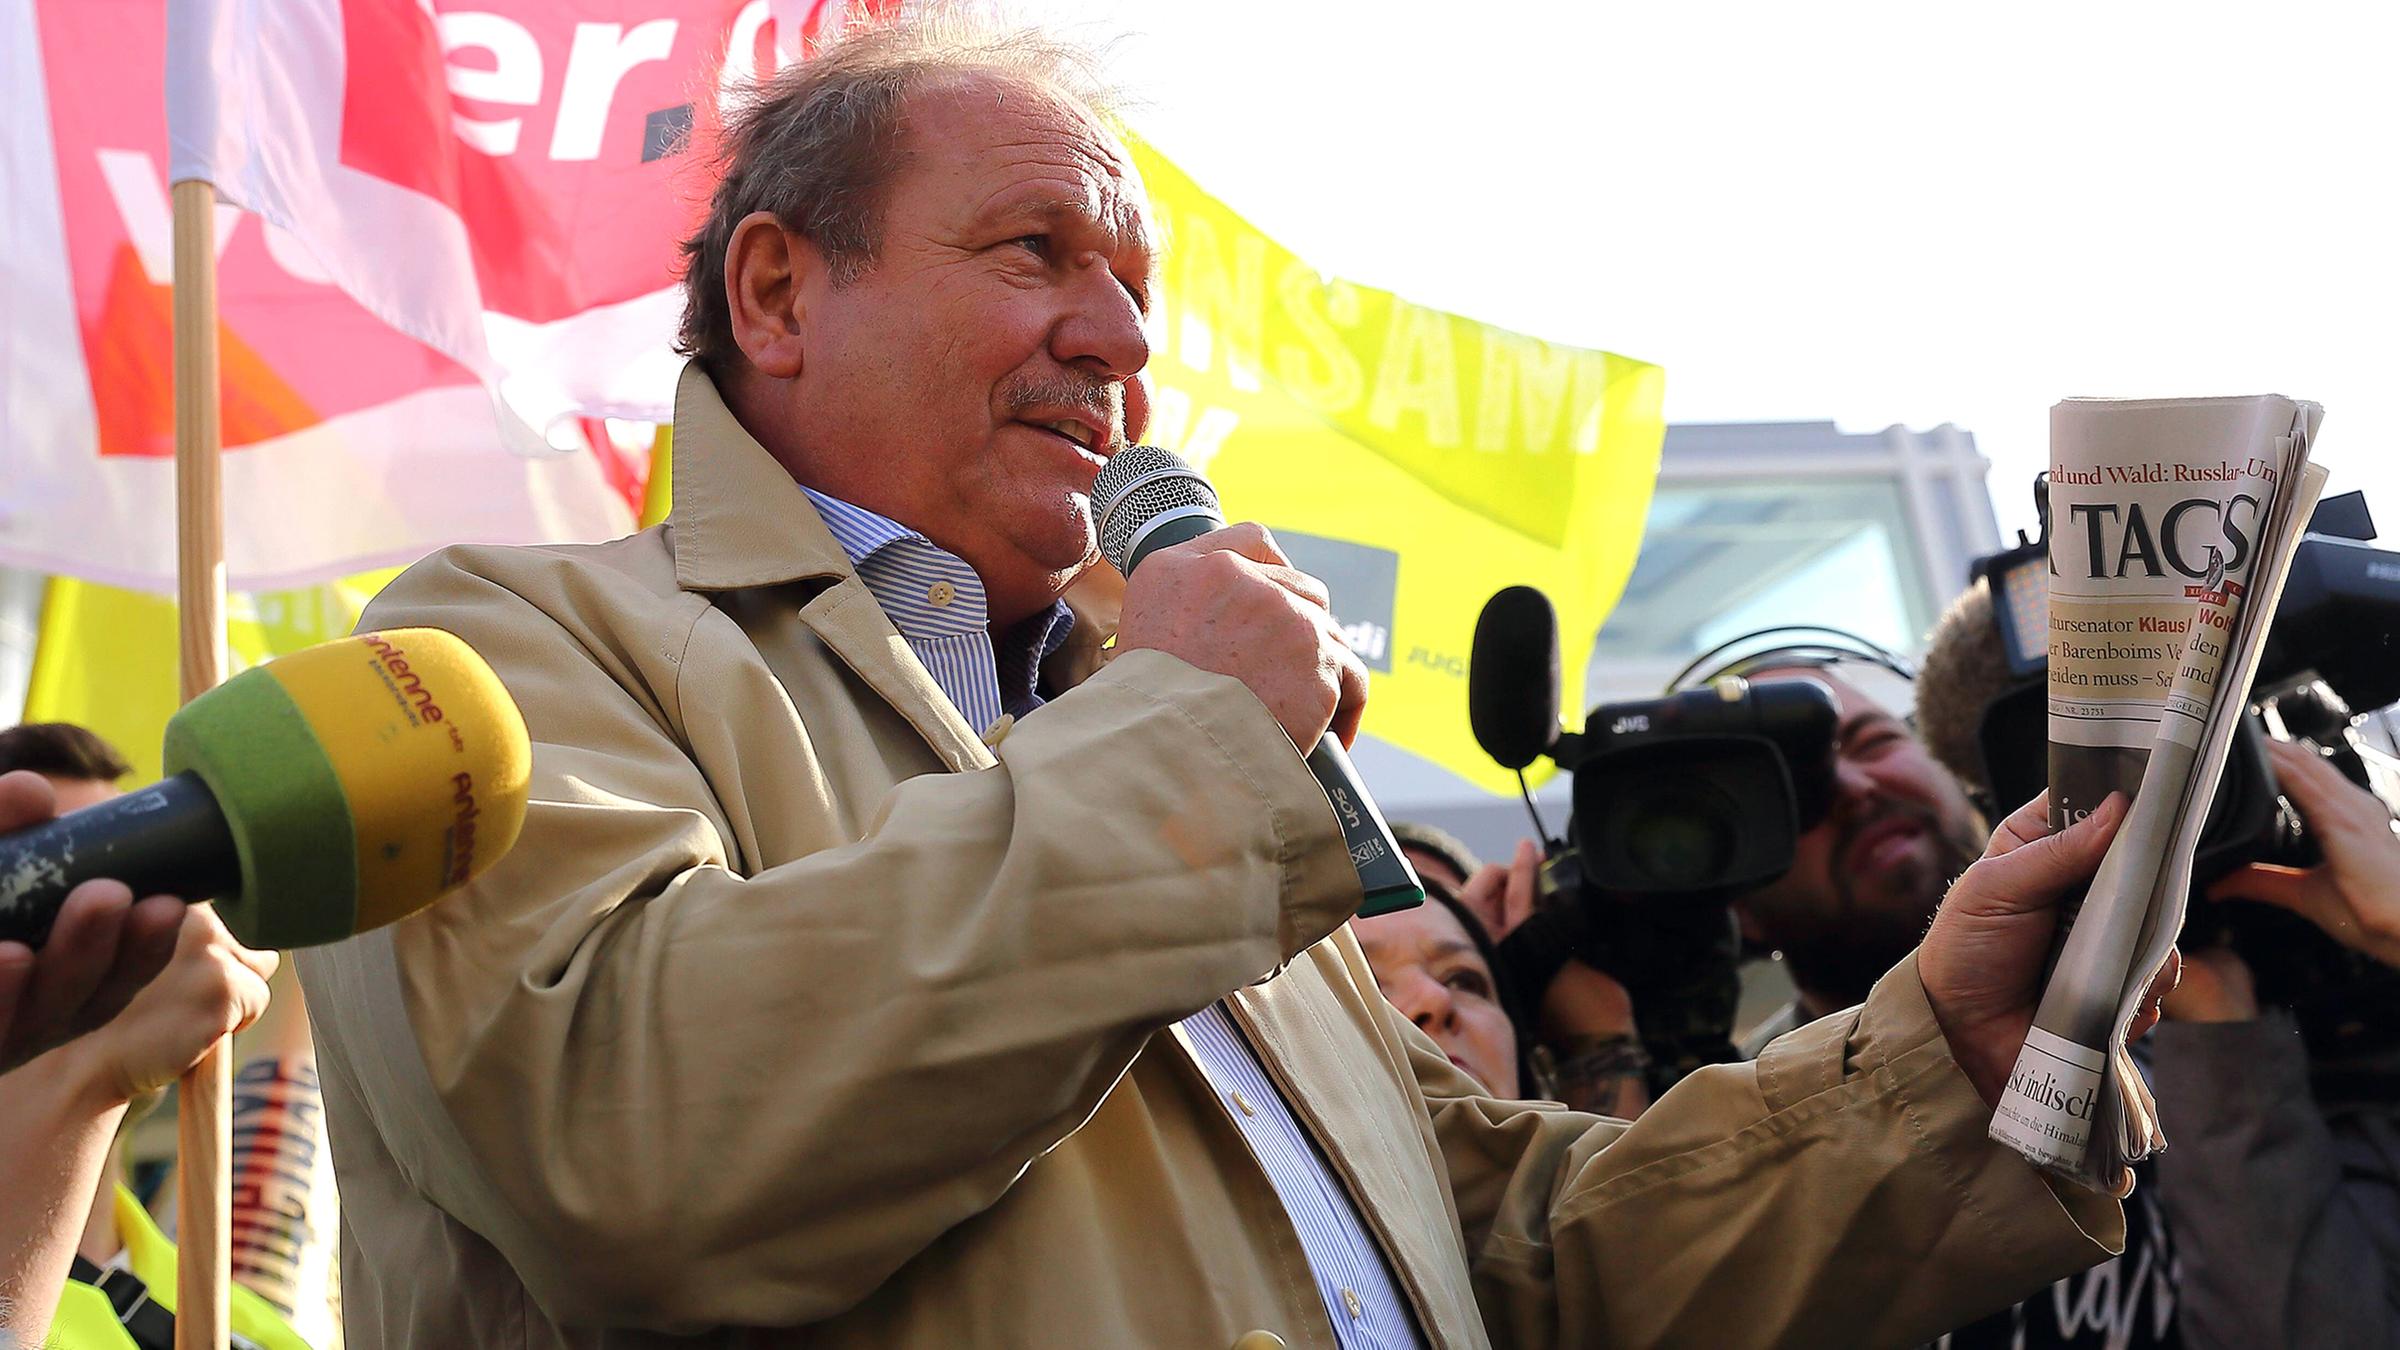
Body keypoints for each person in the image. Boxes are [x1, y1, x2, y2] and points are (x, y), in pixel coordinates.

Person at [295, 18, 2152, 1348]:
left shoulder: (1151, 742)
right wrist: (1184, 739)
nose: (1117, 343)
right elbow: (636, 1151)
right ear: (776, 295)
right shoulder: (502, 649)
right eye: (1038, 253)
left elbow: (1510, 1255)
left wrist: (1946, 1067)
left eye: (1137, 292)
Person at [1723, 657, 2400, 1348]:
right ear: (1736, 905)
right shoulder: (1746, 1151)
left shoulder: (2269, 974)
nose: (1853, 788)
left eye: (1871, 742)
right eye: (1796, 790)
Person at [0, 728, 285, 1349]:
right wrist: (85, 1063)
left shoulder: (260, 1334)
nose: (127, 926)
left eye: (148, 869)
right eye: (56, 888)